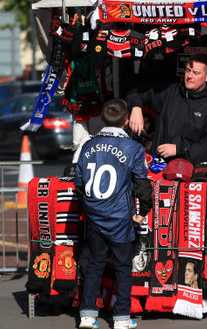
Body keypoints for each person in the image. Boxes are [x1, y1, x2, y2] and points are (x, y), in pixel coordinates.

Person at [74, 99, 153, 329]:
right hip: (120, 219)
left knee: (95, 265)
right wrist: (144, 211)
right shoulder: (134, 148)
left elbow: (79, 184)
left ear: (102, 118)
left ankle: (87, 315)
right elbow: (142, 185)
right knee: (123, 268)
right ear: (126, 120)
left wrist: (90, 208)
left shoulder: (88, 145)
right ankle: (120, 318)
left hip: (96, 218)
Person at [127, 53, 207, 166]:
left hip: (190, 174)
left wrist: (179, 149)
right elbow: (135, 92)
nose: (189, 76)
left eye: (196, 73)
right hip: (158, 168)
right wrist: (136, 108)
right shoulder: (171, 92)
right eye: (188, 70)